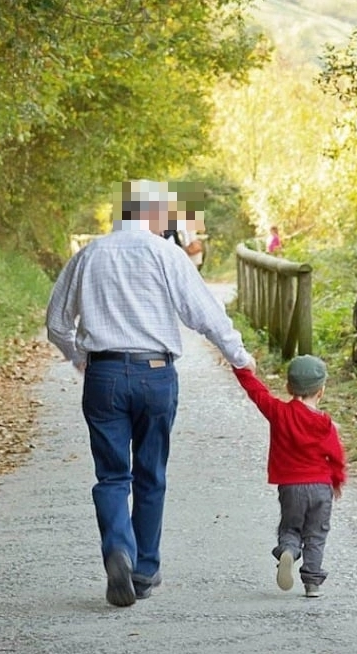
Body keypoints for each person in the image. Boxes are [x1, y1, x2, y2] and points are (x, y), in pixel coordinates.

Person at [46, 179, 256, 608]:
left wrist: (79, 357)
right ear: (153, 215)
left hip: (103, 374)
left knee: (111, 476)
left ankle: (118, 550)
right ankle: (143, 569)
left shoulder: (89, 254)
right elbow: (204, 314)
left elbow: (56, 323)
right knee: (150, 473)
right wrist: (239, 356)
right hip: (156, 374)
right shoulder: (167, 255)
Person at [232, 354, 345, 598]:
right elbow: (336, 455)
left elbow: (256, 392)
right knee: (316, 533)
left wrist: (240, 366)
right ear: (321, 391)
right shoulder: (325, 422)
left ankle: (288, 551)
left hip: (291, 486)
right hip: (321, 487)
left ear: (288, 387)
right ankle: (312, 583)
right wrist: (336, 481)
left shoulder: (278, 413)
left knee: (291, 527)